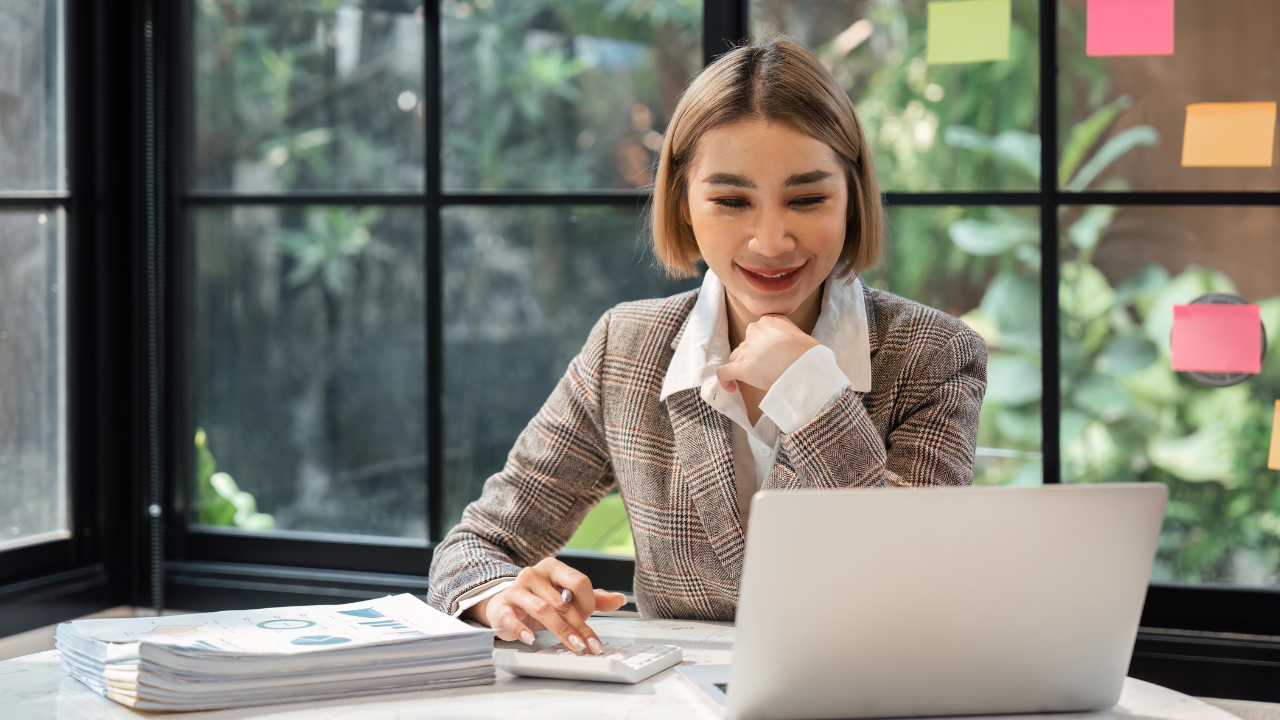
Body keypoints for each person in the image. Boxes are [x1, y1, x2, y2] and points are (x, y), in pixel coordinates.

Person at [426, 34, 987, 656]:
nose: (771, 240)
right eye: (730, 201)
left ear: (852, 199)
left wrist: (812, 395)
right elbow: (475, 547)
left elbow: (921, 576)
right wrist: (502, 594)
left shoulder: (933, 353)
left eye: (807, 199)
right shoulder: (627, 347)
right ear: (684, 203)